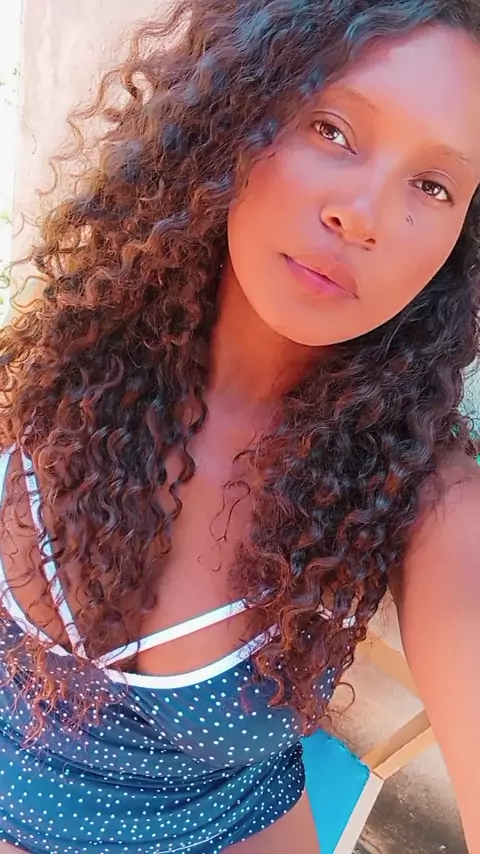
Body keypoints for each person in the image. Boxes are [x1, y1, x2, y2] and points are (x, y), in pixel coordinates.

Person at [0, 1, 480, 851]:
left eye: (433, 185)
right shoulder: (64, 346)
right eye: (332, 128)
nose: (364, 213)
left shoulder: (423, 496)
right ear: (238, 116)